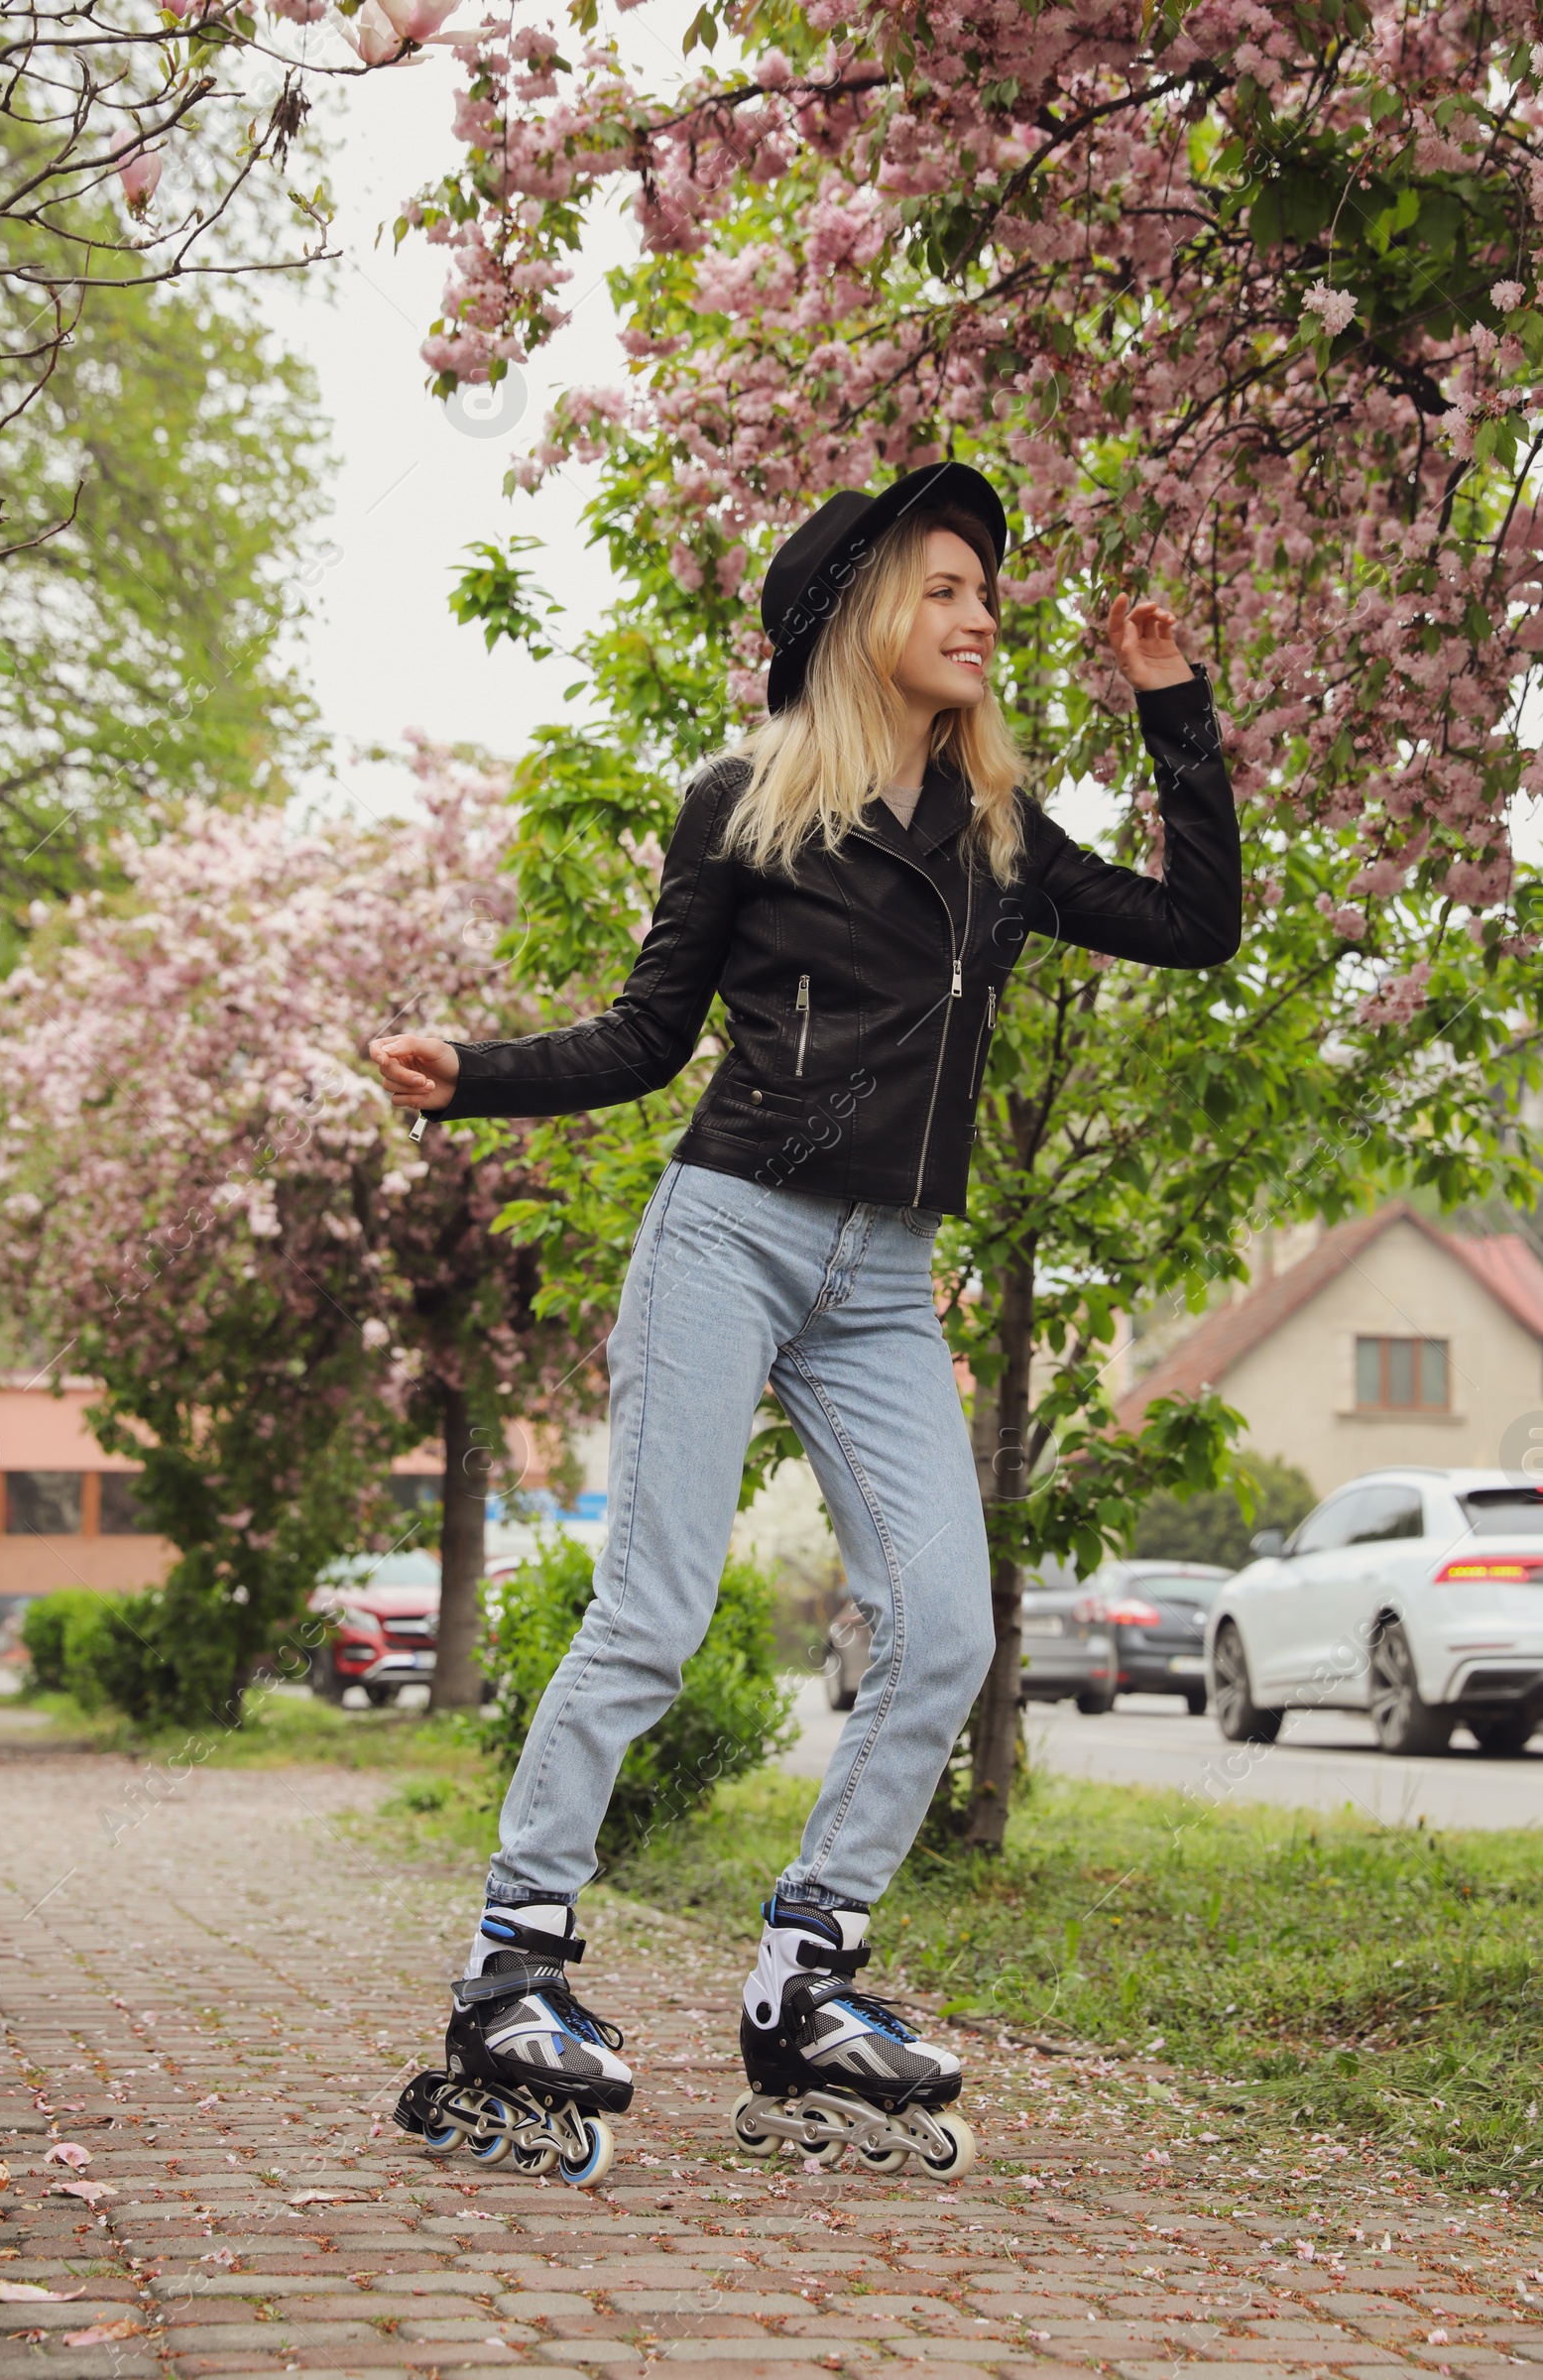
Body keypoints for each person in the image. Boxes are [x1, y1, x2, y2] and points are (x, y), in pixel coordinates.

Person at [371, 461, 1242, 2184]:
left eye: (985, 586)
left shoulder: (998, 836)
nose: (980, 611)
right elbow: (641, 1038)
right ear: (857, 618)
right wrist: (472, 1075)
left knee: (944, 1632)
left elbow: (1197, 926)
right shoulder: (747, 803)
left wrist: (1175, 716)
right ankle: (511, 1968)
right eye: (941, 586)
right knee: (656, 1612)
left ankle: (804, 1976)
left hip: (885, 1279)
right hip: (733, 1234)